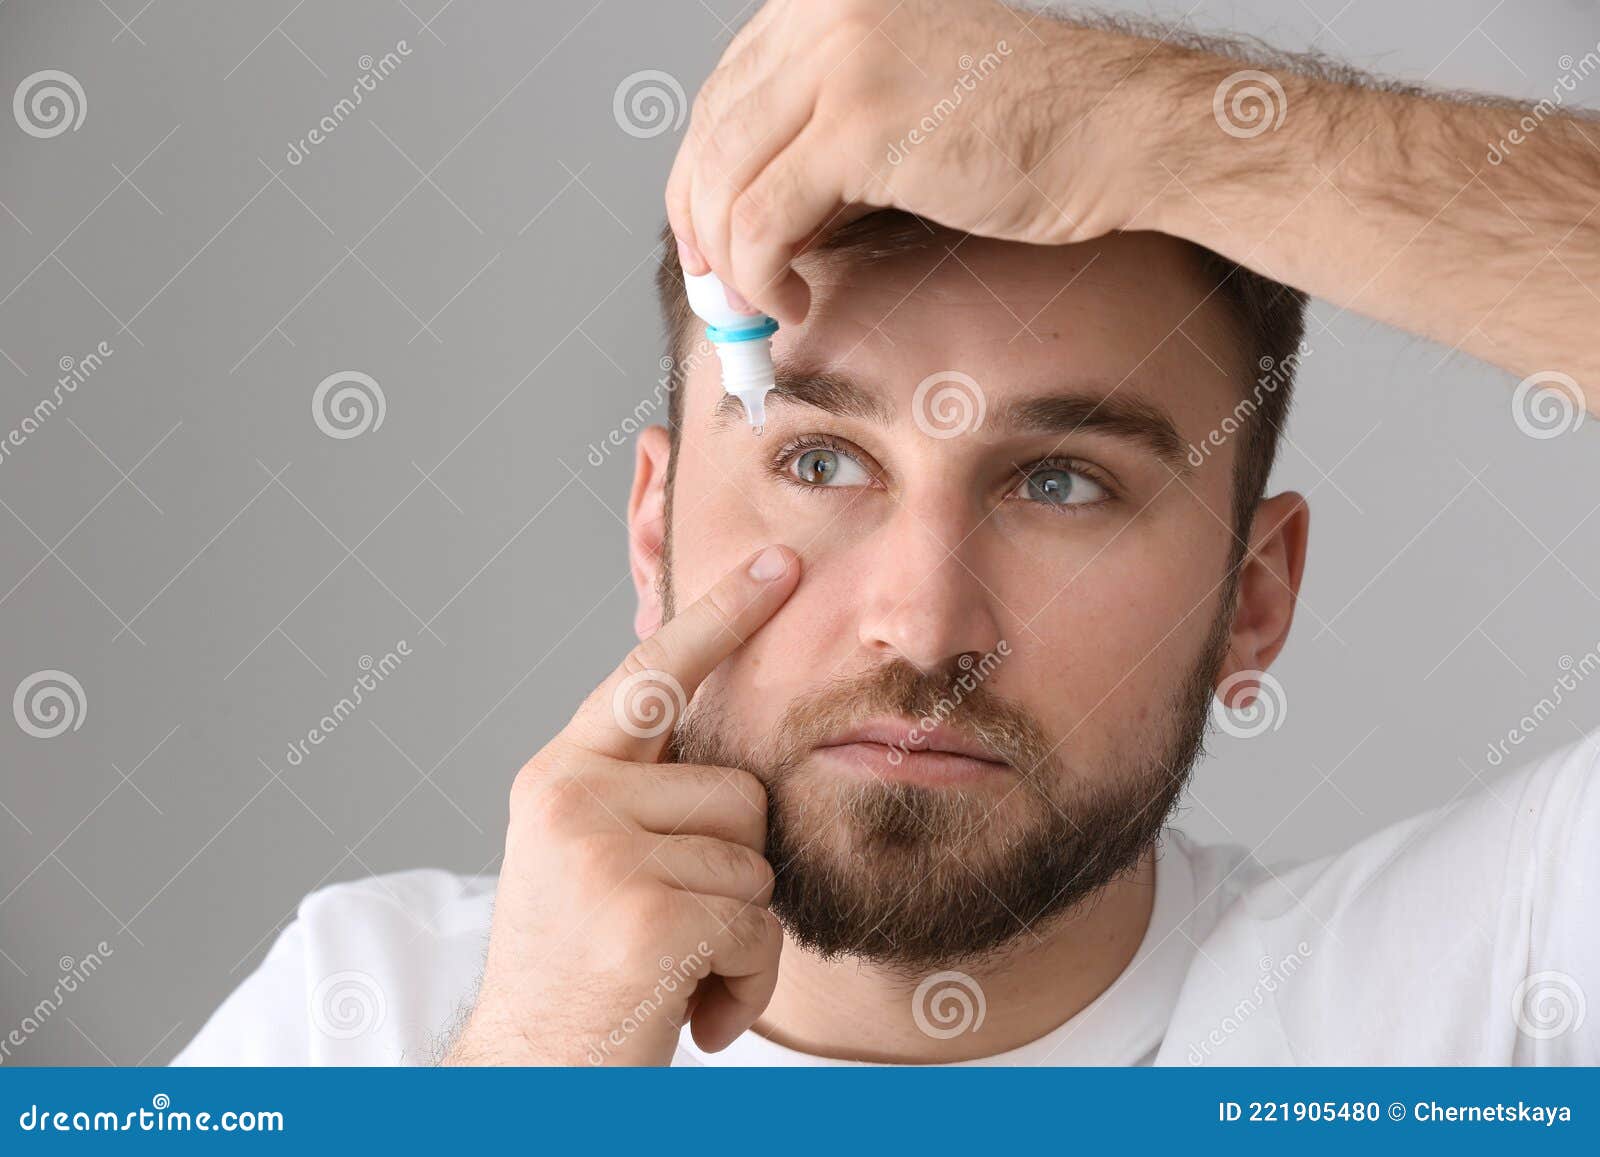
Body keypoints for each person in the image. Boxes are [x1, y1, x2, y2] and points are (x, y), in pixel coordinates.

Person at [174, 1, 1599, 1066]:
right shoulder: (363, 1013)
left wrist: (1161, 127)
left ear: (1255, 598)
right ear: (654, 525)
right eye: (817, 457)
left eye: (1062, 484)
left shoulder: (1483, 1004)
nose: (925, 628)